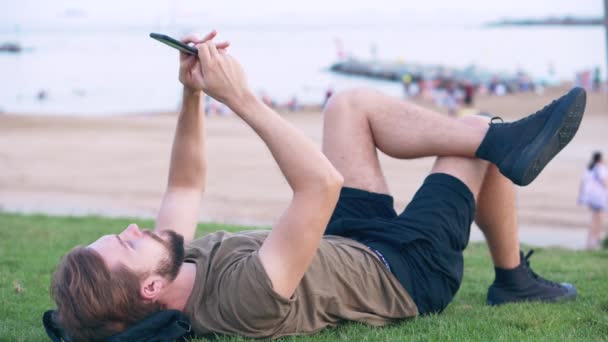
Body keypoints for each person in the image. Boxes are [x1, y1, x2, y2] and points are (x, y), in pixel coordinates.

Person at [49, 31, 587, 341]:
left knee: (348, 106)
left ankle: (501, 143)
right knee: (472, 140)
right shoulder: (239, 303)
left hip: (346, 243)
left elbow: (185, 184)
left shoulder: (172, 264)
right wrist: (240, 97)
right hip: (405, 272)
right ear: (149, 289)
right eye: (124, 244)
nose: (131, 228)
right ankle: (513, 272)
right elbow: (320, 185)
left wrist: (192, 93)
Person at [578, 151, 607, 249]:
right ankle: (595, 242)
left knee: (594, 219)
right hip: (599, 198)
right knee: (599, 220)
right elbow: (604, 182)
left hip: (592, 198)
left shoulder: (590, 168)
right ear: (600, 159)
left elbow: (583, 182)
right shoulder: (600, 168)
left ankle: (590, 242)